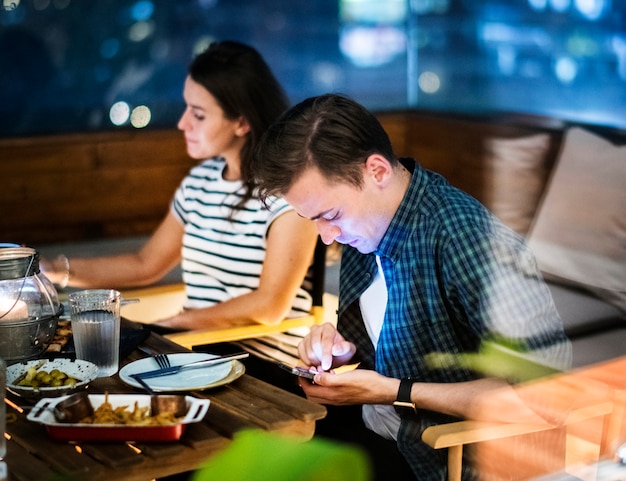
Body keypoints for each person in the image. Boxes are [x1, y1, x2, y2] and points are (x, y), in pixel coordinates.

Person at [251, 93, 572, 480]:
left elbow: (537, 394)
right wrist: (340, 352)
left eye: (330, 214)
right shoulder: (366, 230)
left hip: (445, 457)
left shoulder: (466, 237)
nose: (326, 236)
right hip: (378, 433)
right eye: (312, 219)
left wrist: (394, 391)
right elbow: (390, 351)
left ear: (377, 171)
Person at [41, 41, 318, 332]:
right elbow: (145, 263)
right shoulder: (201, 181)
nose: (183, 124)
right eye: (186, 108)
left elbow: (270, 305)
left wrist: (173, 325)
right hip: (195, 347)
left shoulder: (288, 193)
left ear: (241, 123)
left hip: (260, 355)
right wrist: (55, 270)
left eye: (198, 115)